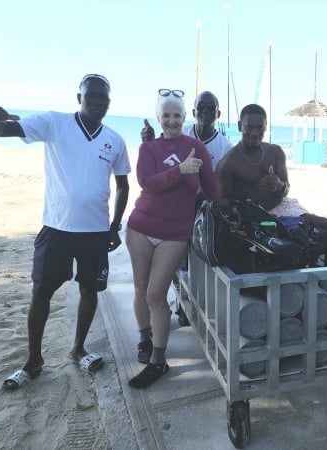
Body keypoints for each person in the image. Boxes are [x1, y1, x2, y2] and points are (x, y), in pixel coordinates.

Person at [0, 74, 131, 390]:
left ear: (109, 102)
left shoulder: (115, 140)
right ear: (79, 98)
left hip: (95, 232)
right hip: (56, 229)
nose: (97, 101)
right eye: (91, 96)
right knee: (41, 294)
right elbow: (5, 129)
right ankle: (33, 360)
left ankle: (79, 349)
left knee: (89, 290)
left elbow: (123, 186)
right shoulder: (54, 123)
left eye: (103, 97)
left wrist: (114, 226)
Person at [125, 89, 220, 388]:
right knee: (141, 289)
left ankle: (158, 361)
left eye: (176, 115)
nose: (171, 120)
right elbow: (147, 183)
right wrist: (180, 170)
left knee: (156, 294)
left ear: (185, 117)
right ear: (158, 118)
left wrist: (225, 214)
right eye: (166, 115)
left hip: (175, 233)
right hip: (140, 227)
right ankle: (145, 339)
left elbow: (212, 188)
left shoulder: (195, 148)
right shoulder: (149, 148)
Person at [215, 103, 327, 238]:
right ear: (240, 126)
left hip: (282, 207)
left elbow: (286, 189)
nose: (254, 133)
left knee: (326, 226)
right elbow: (224, 204)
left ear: (266, 126)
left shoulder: (275, 152)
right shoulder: (228, 163)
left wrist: (279, 185)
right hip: (251, 217)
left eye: (260, 127)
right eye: (249, 127)